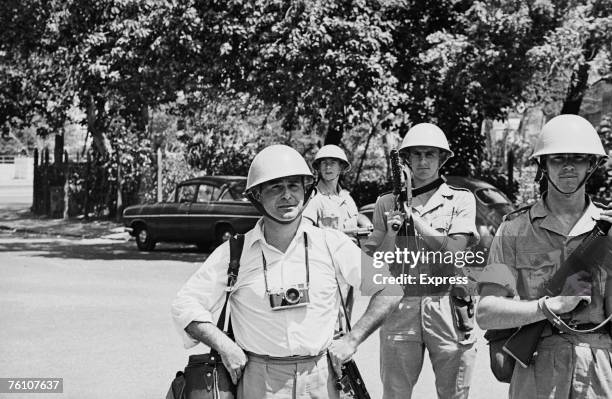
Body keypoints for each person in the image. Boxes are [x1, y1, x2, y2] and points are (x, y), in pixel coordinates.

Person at [172, 144, 402, 399]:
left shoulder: (331, 243)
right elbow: (185, 304)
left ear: (306, 191)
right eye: (275, 187)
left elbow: (389, 288)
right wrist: (224, 345)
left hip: (323, 379)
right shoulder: (235, 252)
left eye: (294, 186)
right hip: (258, 380)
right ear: (257, 195)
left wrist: (352, 339)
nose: (287, 196)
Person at [477, 114, 612, 398]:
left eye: (577, 158)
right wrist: (549, 306)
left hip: (599, 368)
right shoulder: (512, 229)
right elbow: (486, 312)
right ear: (543, 165)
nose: (567, 167)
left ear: (591, 165)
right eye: (557, 158)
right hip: (537, 367)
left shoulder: (608, 229)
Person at [364, 123, 480, 399]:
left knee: (454, 393)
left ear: (442, 158)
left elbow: (454, 252)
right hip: (400, 305)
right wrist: (392, 232)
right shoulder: (386, 203)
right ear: (407, 159)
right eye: (416, 154)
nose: (423, 161)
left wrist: (415, 220)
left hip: (447, 303)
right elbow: (377, 264)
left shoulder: (460, 200)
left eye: (430, 154)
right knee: (395, 393)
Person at [303, 144, 372, 234]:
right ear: (319, 168)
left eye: (332, 163)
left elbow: (356, 216)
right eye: (324, 163)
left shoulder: (347, 198)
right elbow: (304, 230)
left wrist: (366, 223)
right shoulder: (314, 198)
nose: (328, 167)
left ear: (341, 168)